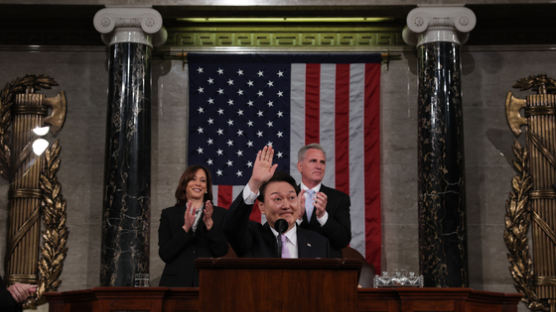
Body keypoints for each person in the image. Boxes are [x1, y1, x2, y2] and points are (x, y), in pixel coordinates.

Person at [225, 145, 330, 258]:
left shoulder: (319, 243)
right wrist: (254, 183)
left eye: (291, 198)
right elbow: (231, 225)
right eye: (277, 199)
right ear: (262, 206)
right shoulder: (252, 237)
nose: (286, 205)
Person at [158, 165, 228, 286]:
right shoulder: (168, 214)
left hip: (209, 283)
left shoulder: (219, 214)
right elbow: (165, 254)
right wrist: (185, 229)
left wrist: (209, 225)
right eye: (193, 179)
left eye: (202, 180)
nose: (198, 184)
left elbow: (221, 251)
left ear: (206, 188)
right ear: (185, 185)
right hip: (175, 285)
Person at [296, 143, 351, 258]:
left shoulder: (340, 198)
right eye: (313, 161)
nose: (319, 166)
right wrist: (298, 218)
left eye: (322, 162)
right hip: (294, 265)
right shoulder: (288, 196)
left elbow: (343, 240)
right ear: (300, 166)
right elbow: (277, 236)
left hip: (328, 268)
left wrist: (323, 217)